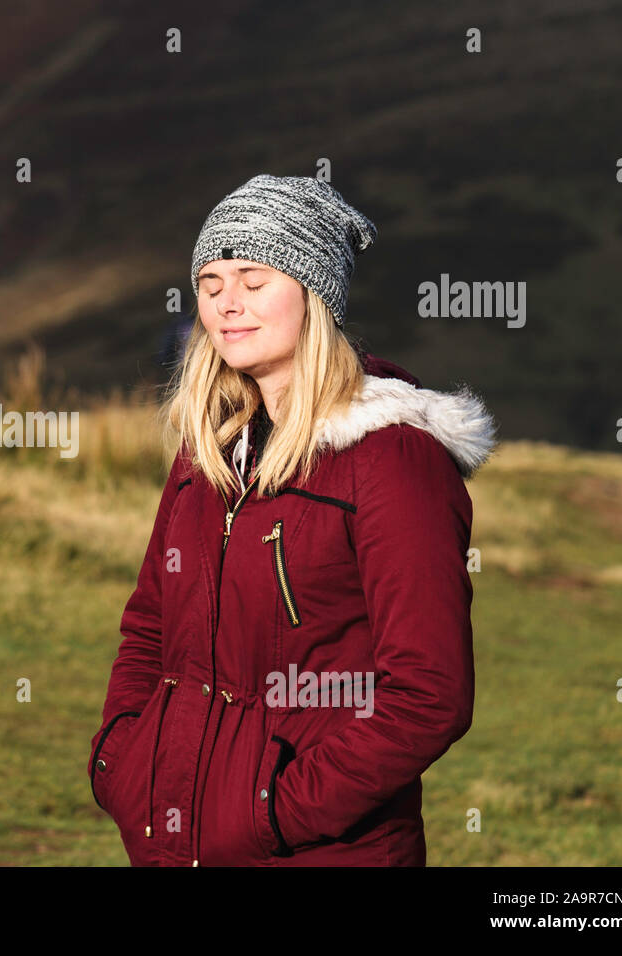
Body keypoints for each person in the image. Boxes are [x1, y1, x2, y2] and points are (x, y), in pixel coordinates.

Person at [87, 174, 498, 866]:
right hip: (175, 844)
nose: (226, 304)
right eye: (210, 282)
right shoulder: (208, 454)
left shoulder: (394, 460)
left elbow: (429, 694)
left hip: (321, 850)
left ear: (315, 293)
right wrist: (121, 764)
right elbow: (149, 627)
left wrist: (274, 810)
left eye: (253, 278)